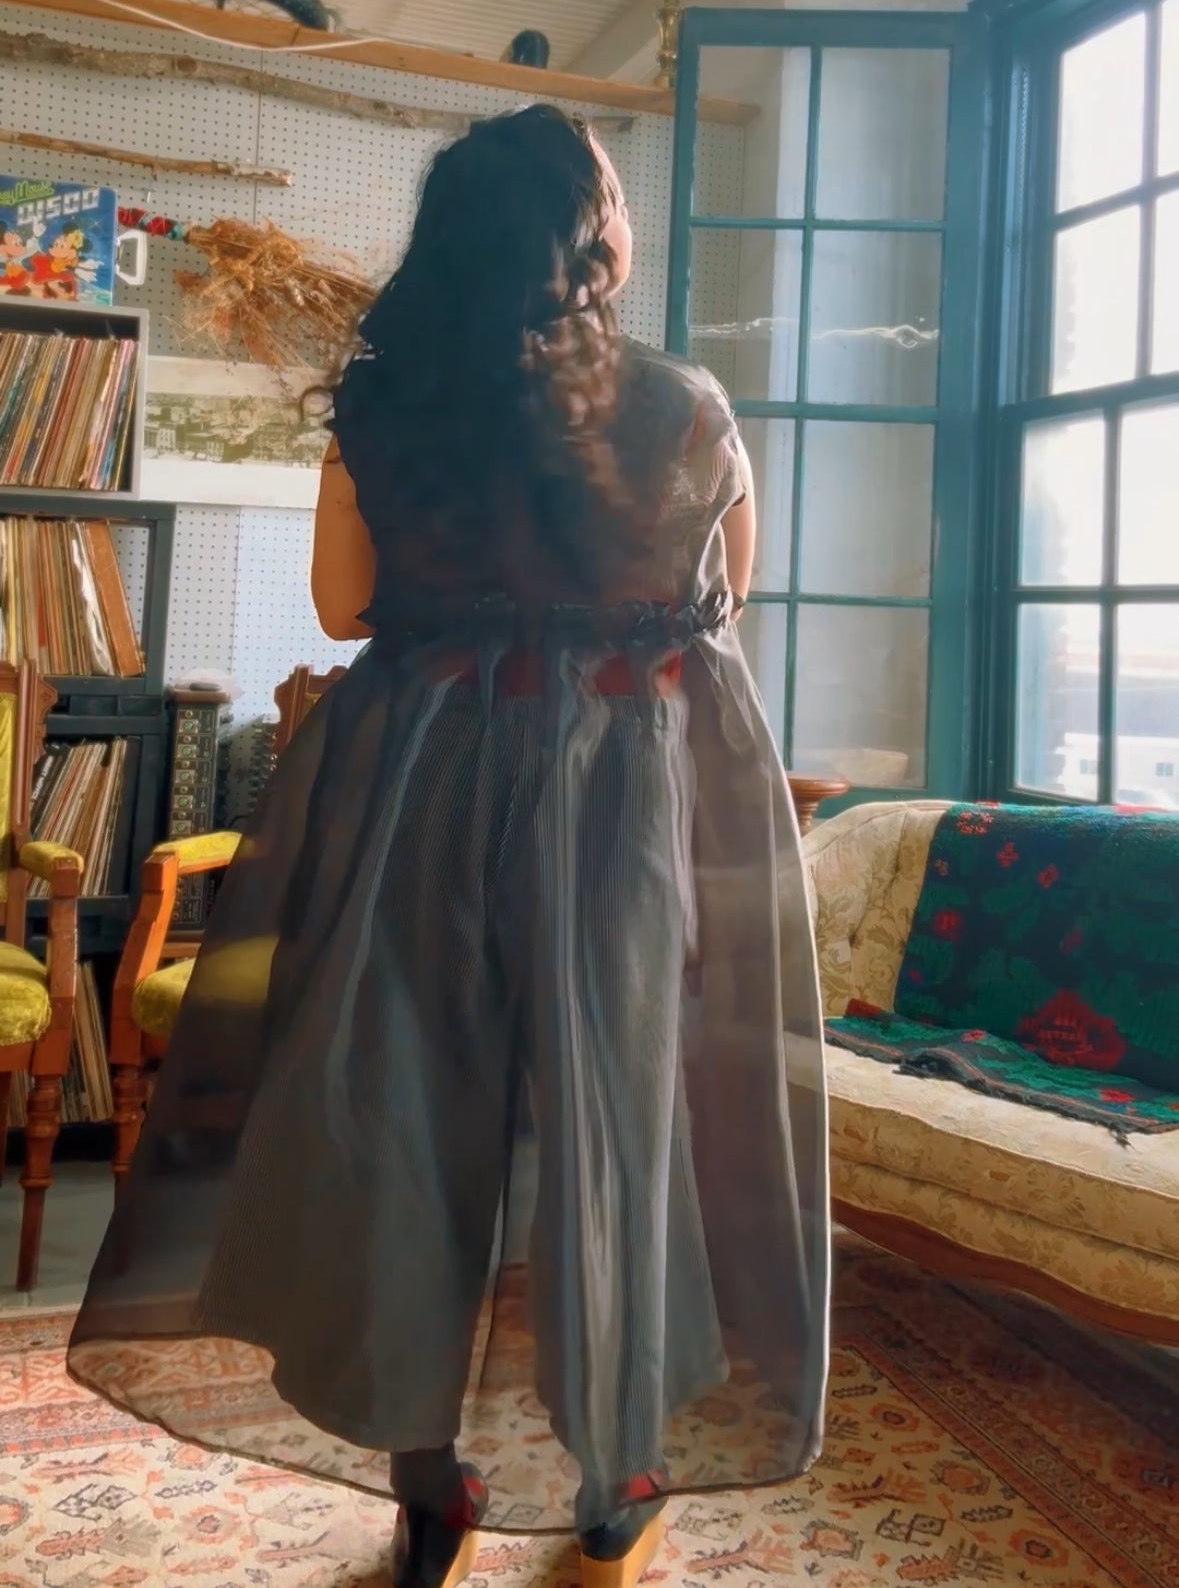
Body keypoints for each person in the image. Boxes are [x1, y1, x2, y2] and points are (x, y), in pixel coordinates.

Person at [69, 105, 830, 1588]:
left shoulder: (387, 401)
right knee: (614, 1126)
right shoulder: (686, 406)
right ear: (583, 233)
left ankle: (431, 1487)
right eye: (612, 194)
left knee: (405, 1121)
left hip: (426, 790)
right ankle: (612, 1477)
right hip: (616, 805)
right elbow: (723, 605)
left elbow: (342, 607)